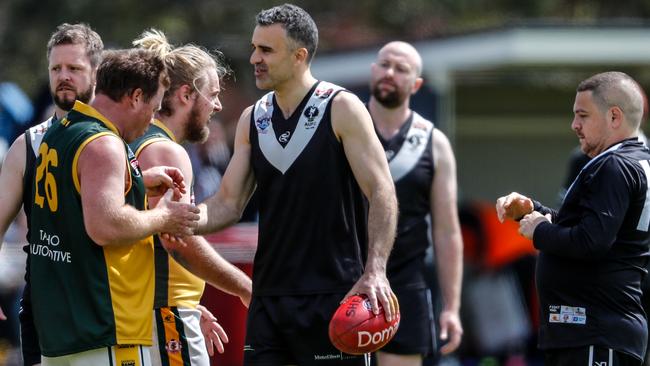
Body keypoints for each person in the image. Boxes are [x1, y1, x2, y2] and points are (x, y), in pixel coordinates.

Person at [189, 4, 398, 365]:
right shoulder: (253, 118)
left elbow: (382, 192)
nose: (255, 58)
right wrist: (177, 218)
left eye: (266, 50)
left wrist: (375, 270)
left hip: (334, 298)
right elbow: (227, 203)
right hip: (268, 301)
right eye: (254, 48)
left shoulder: (342, 108)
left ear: (299, 56)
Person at [29, 47, 201, 365]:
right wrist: (164, 216)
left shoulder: (60, 131)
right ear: (135, 96)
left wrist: (137, 180)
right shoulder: (104, 143)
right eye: (154, 105)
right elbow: (105, 226)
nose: (153, 117)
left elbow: (76, 197)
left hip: (62, 330)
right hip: (104, 329)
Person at [496, 71, 650, 366]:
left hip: (596, 332)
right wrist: (531, 212)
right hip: (595, 331)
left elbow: (591, 241)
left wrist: (539, 231)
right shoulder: (632, 159)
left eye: (583, 115)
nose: (574, 126)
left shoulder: (615, 165)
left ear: (614, 117)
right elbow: (587, 227)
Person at [131, 29, 252, 365]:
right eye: (212, 94)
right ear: (186, 94)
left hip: (168, 310)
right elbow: (178, 241)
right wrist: (244, 286)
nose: (218, 104)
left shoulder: (153, 143)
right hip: (165, 315)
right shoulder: (163, 149)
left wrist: (192, 302)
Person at [0, 23, 103, 366]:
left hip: (103, 311)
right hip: (43, 310)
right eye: (56, 68)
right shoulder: (27, 144)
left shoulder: (113, 141)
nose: (63, 76)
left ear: (95, 72)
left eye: (74, 68)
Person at [367, 41, 463, 365]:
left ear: (416, 84)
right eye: (384, 64)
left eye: (401, 69)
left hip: (404, 286)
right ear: (372, 70)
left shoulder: (433, 142)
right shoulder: (343, 130)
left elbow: (448, 232)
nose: (389, 73)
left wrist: (451, 307)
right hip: (344, 279)